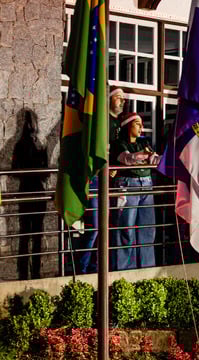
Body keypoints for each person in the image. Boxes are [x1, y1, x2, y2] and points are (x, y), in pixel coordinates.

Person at [78, 86, 126, 273]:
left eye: (123, 98)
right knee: (96, 227)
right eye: (118, 98)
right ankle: (83, 266)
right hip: (96, 178)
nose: (122, 101)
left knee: (107, 227)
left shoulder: (117, 124)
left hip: (111, 179)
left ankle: (96, 265)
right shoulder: (102, 121)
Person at [111, 111, 160, 270]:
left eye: (141, 124)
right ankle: (124, 270)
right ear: (127, 125)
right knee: (126, 228)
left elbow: (154, 158)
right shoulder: (119, 143)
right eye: (137, 123)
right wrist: (141, 156)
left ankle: (147, 268)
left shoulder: (143, 142)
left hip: (146, 184)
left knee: (147, 228)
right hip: (128, 184)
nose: (141, 127)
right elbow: (126, 159)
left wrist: (156, 157)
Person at [11, 110, 48, 280]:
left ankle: (27, 271)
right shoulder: (36, 144)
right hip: (34, 189)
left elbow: (15, 170)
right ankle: (30, 272)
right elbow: (45, 172)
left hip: (28, 189)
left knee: (27, 234)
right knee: (33, 234)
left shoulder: (22, 144)